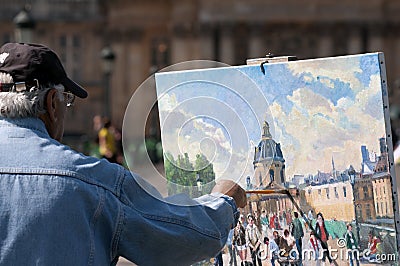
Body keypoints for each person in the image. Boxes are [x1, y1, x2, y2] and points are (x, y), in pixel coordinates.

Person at [0, 42, 247, 265]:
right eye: (65, 99)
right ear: (52, 104)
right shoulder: (92, 181)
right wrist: (225, 201)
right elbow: (184, 238)